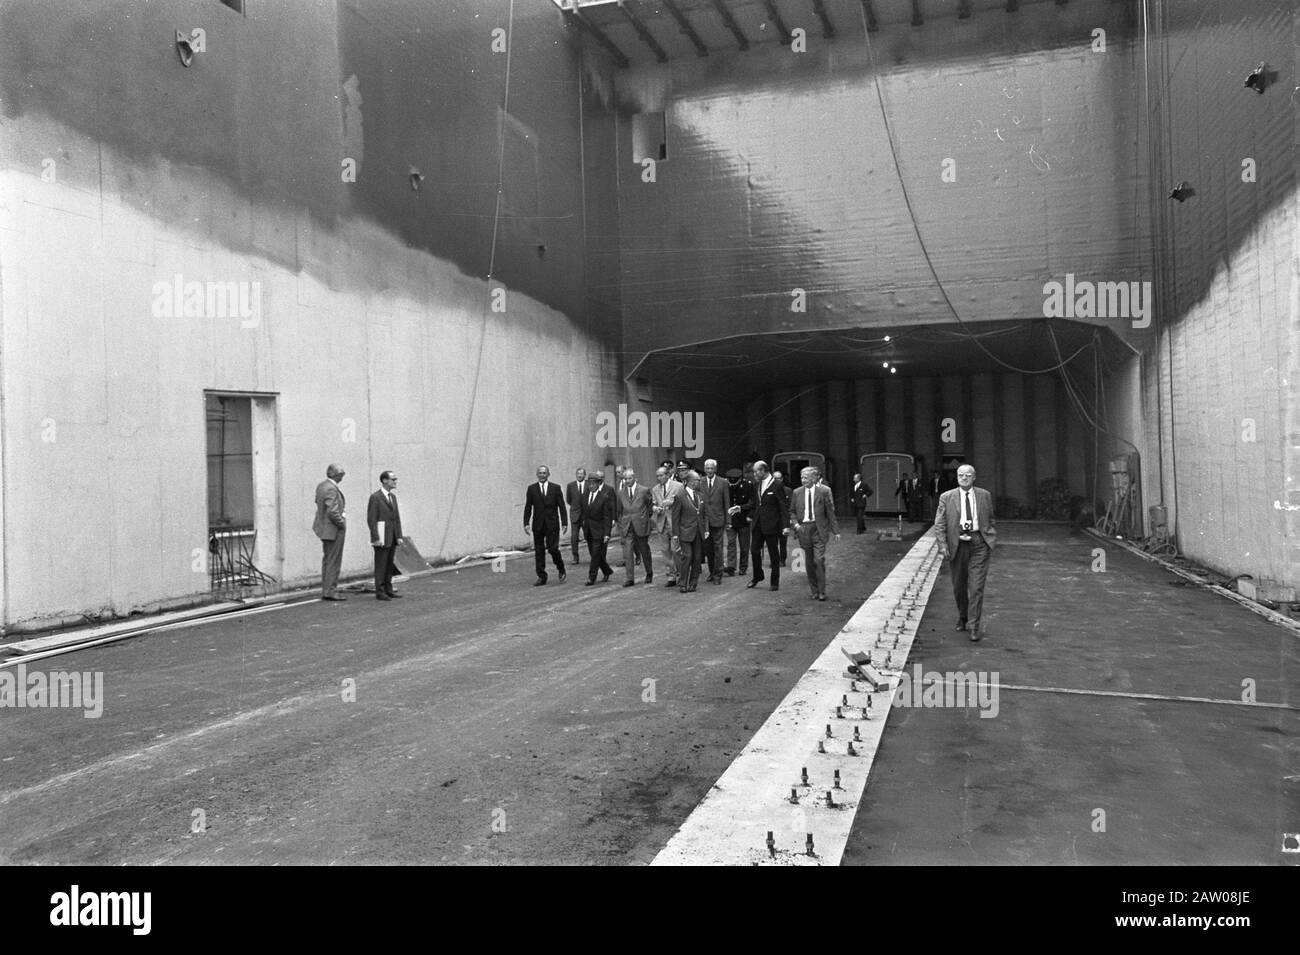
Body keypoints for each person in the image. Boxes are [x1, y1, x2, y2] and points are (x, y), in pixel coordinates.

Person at [933, 464, 997, 641]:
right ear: (957, 477)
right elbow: (939, 524)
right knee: (959, 586)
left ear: (974, 477)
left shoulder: (984, 495)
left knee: (976, 587)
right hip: (957, 544)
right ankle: (963, 616)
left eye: (968, 475)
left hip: (979, 544)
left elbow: (990, 518)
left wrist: (989, 536)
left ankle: (974, 626)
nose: (964, 478)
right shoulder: (946, 497)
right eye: (961, 475)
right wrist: (943, 545)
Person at [788, 466, 840, 601]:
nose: (803, 480)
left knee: (819, 560)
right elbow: (792, 511)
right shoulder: (796, 492)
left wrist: (836, 531)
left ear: (813, 478)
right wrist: (796, 525)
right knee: (809, 562)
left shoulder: (823, 491)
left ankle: (822, 591)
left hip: (818, 530)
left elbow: (830, 512)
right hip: (803, 530)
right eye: (801, 478)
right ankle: (814, 590)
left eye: (805, 478)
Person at [524, 465, 568, 586]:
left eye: (544, 473)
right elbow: (528, 507)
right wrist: (526, 523)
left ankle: (561, 567)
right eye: (540, 473)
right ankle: (541, 576)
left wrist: (564, 523)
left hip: (552, 524)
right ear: (537, 474)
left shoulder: (555, 488)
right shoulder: (532, 489)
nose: (542, 475)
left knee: (553, 548)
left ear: (548, 474)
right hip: (538, 525)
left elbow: (562, 506)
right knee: (539, 551)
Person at [748, 460, 787, 592]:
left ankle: (774, 581)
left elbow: (783, 506)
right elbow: (755, 503)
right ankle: (758, 575)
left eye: (756, 471)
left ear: (763, 470)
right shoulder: (757, 484)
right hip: (758, 523)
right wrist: (740, 508)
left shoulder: (777, 485)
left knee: (773, 553)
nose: (754, 474)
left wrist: (785, 525)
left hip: (772, 524)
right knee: (754, 550)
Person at [313, 463, 348, 601]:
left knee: (328, 560)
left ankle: (327, 590)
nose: (342, 476)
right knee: (334, 560)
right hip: (333, 529)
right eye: (341, 474)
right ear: (335, 474)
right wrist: (341, 524)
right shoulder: (331, 489)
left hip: (324, 528)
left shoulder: (322, 486)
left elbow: (318, 502)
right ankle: (331, 591)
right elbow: (333, 511)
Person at [367, 470, 404, 600]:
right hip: (382, 537)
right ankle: (380, 591)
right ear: (384, 480)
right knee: (381, 565)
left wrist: (399, 535)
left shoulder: (392, 497)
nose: (395, 482)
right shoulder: (375, 497)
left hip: (392, 536)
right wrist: (376, 538)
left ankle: (389, 588)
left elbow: (396, 518)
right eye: (393, 479)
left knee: (389, 565)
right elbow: (372, 519)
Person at [615, 467, 654, 586]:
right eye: (625, 479)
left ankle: (649, 573)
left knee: (644, 550)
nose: (627, 481)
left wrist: (644, 519)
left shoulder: (643, 490)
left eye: (629, 478)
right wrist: (622, 523)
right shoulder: (621, 492)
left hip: (641, 524)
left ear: (634, 477)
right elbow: (619, 510)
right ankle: (629, 578)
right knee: (628, 552)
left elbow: (650, 506)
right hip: (627, 526)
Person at [669, 470, 707, 592]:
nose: (699, 482)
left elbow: (704, 514)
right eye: (697, 480)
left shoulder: (700, 495)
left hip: (698, 532)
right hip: (685, 532)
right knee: (687, 556)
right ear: (690, 481)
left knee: (697, 558)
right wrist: (675, 534)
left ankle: (693, 582)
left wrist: (706, 529)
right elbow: (675, 516)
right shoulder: (680, 495)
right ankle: (683, 583)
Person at [699, 458, 731, 584]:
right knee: (708, 549)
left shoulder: (723, 482)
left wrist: (728, 521)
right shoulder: (700, 482)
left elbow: (726, 502)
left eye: (712, 468)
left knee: (718, 548)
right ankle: (712, 572)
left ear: (715, 469)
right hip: (704, 522)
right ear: (705, 469)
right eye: (707, 468)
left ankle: (718, 575)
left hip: (718, 520)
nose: (709, 471)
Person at [581, 469, 615, 585]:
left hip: (599, 531)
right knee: (595, 554)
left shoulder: (604, 497)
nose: (591, 486)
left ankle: (592, 577)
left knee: (595, 554)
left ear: (598, 483)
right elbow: (583, 513)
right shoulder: (584, 496)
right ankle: (607, 570)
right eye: (589, 483)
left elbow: (607, 517)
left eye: (593, 483)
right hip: (588, 530)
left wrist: (607, 533)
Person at [651, 464, 681, 588]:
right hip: (661, 523)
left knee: (676, 550)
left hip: (674, 522)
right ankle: (671, 576)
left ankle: (681, 573)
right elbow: (652, 503)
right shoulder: (655, 489)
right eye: (657, 476)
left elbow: (683, 501)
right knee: (665, 551)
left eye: (661, 475)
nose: (659, 478)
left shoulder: (678, 486)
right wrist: (655, 508)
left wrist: (672, 502)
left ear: (667, 475)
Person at [724, 466, 754, 576]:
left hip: (744, 519)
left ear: (740, 479)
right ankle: (731, 567)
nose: (733, 484)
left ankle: (743, 566)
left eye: (735, 481)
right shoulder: (726, 485)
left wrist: (749, 514)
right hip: (730, 520)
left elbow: (752, 503)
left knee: (744, 545)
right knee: (731, 544)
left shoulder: (748, 485)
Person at [565, 467, 586, 565]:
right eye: (578, 473)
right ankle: (575, 556)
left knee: (589, 536)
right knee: (574, 537)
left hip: (587, 516)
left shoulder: (588, 484)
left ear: (584, 475)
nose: (579, 475)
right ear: (576, 474)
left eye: (581, 474)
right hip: (575, 515)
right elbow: (568, 500)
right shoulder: (571, 485)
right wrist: (575, 508)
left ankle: (594, 556)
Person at [773, 470, 788, 566]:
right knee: (773, 542)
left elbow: (789, 505)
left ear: (782, 479)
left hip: (783, 519)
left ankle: (782, 559)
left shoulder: (788, 490)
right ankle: (774, 560)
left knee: (783, 542)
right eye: (775, 478)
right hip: (773, 520)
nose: (777, 480)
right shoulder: (768, 489)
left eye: (778, 478)